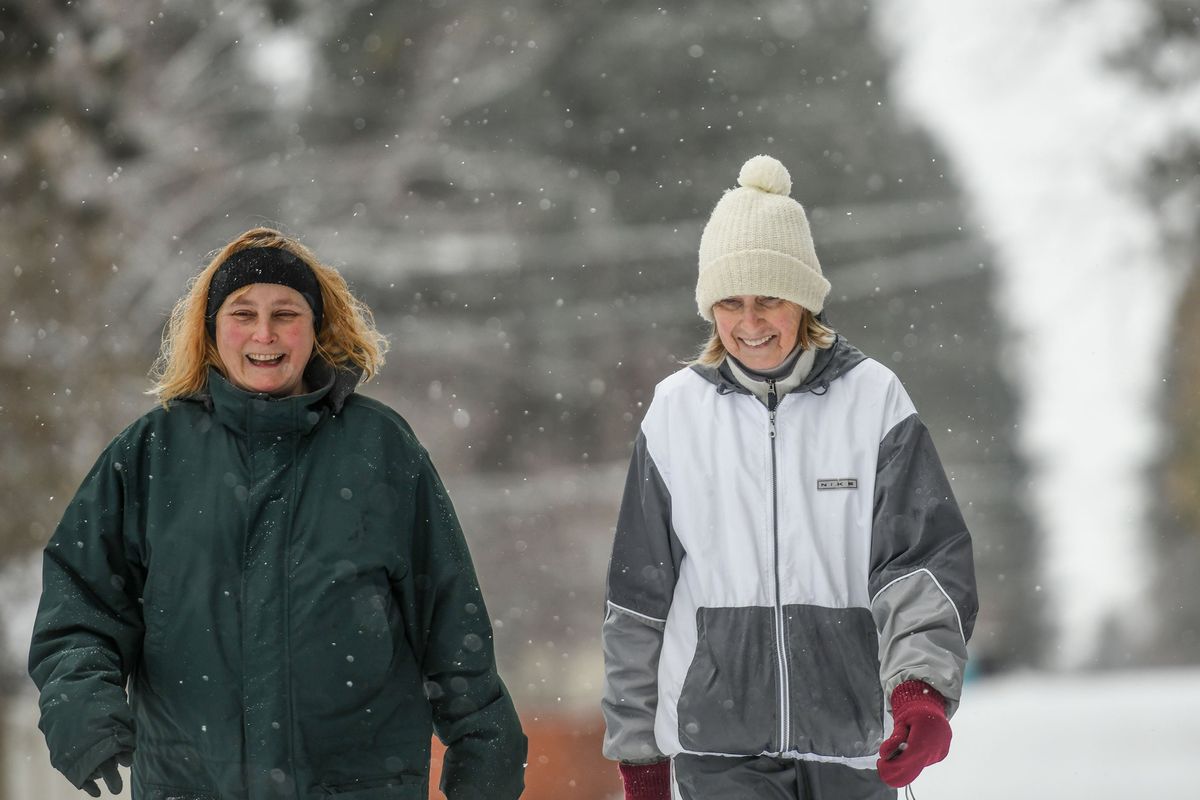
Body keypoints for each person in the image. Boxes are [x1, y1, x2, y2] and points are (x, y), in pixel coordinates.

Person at [28, 227, 527, 800]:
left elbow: (450, 619)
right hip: (191, 786)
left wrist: (486, 755)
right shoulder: (151, 453)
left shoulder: (379, 448)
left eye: (285, 313)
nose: (264, 333)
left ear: (315, 329)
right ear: (213, 331)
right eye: (243, 313)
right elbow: (80, 604)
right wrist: (81, 705)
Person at [600, 156, 978, 800]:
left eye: (769, 299)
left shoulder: (874, 400)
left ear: (802, 300)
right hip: (716, 748)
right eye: (731, 302)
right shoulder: (674, 413)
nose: (750, 324)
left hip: (853, 738)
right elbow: (637, 600)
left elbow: (920, 563)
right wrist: (639, 755)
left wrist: (919, 692)